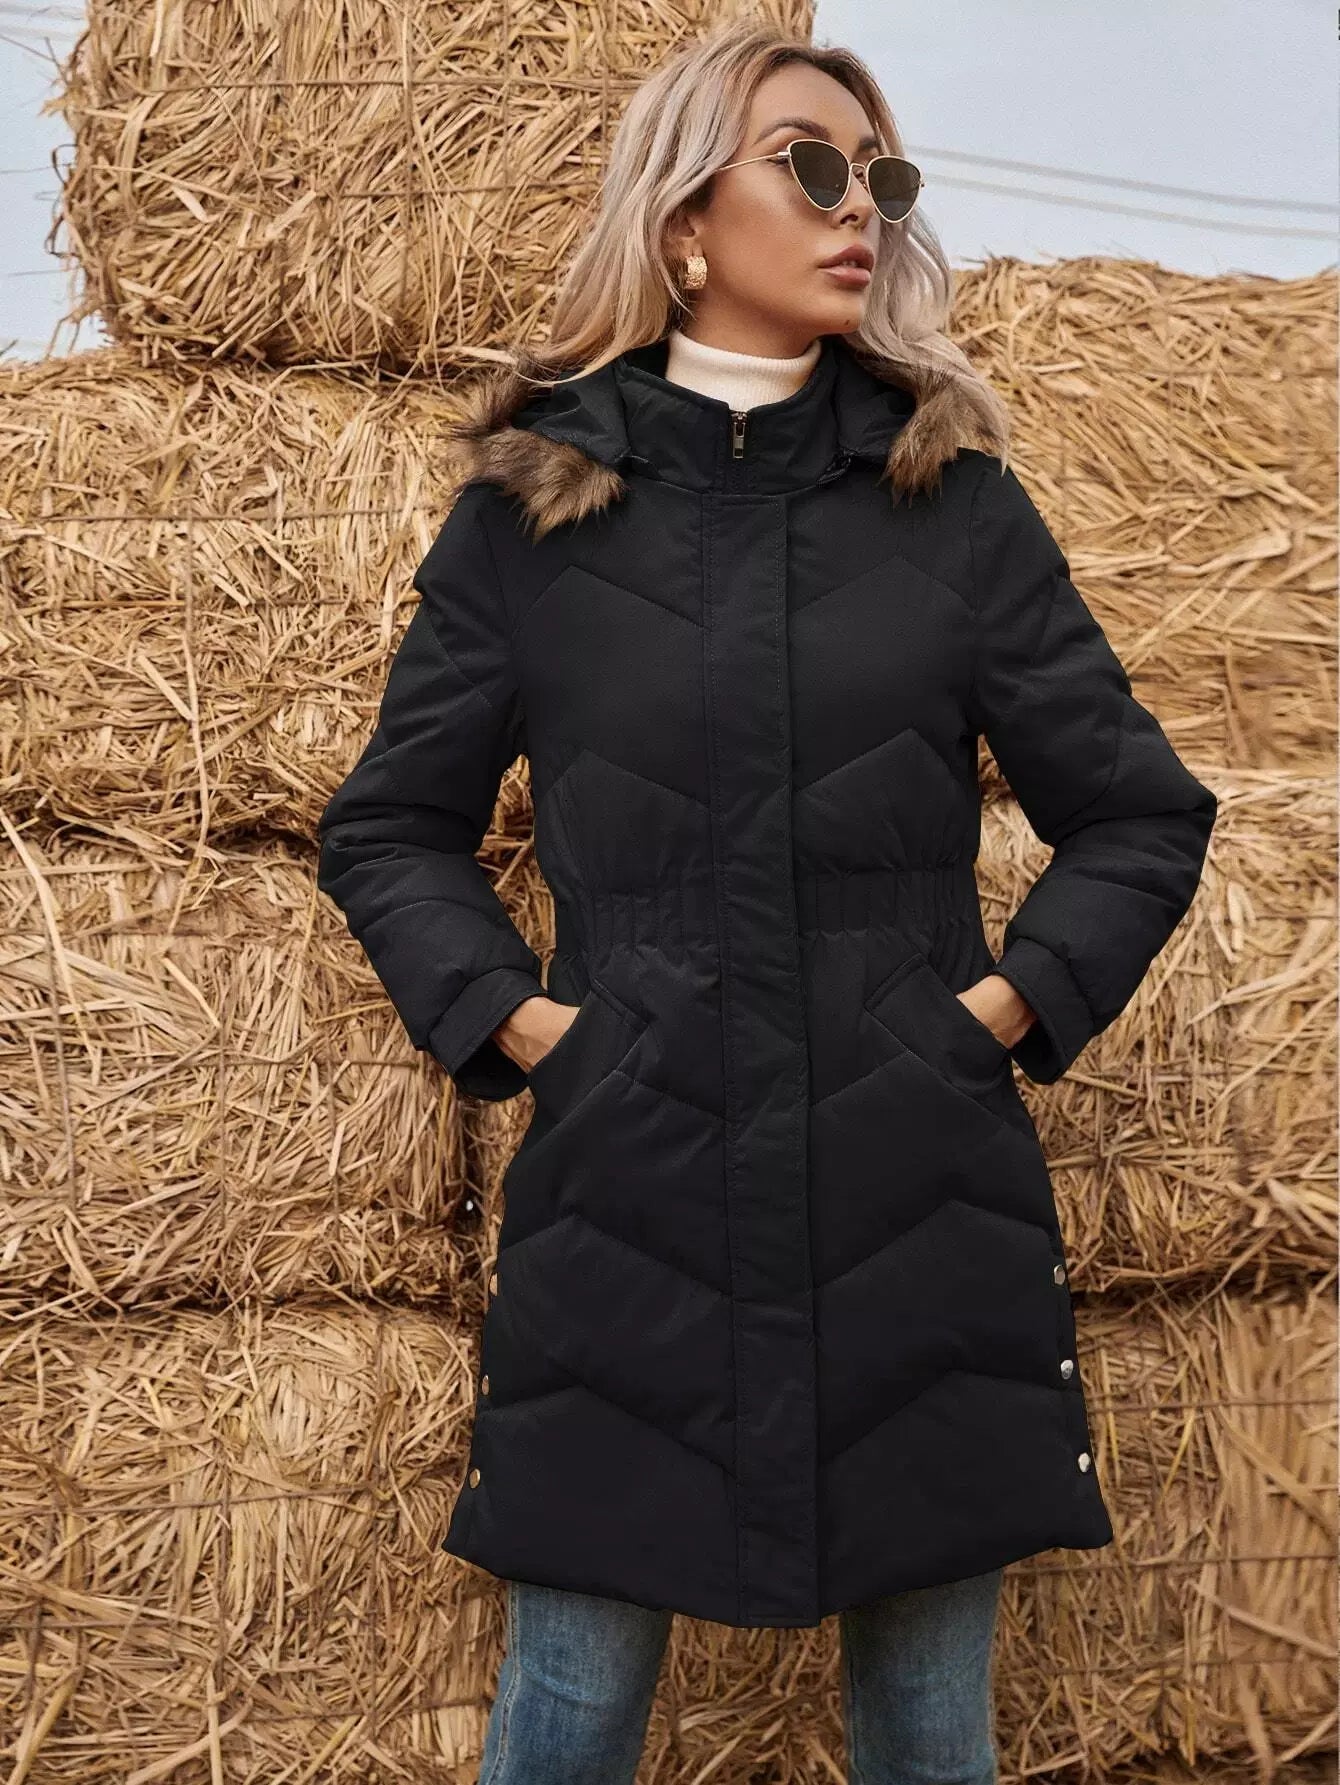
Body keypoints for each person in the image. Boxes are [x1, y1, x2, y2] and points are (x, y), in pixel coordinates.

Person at [316, 22, 1218, 1784]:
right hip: (628, 1189)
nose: (859, 206)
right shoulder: (533, 512)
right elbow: (392, 828)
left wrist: (992, 1017)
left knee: (929, 1729)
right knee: (568, 1708)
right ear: (680, 224)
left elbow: (1137, 813)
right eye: (810, 165)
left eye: (881, 175)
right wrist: (534, 1029)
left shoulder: (954, 505)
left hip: (916, 1194)